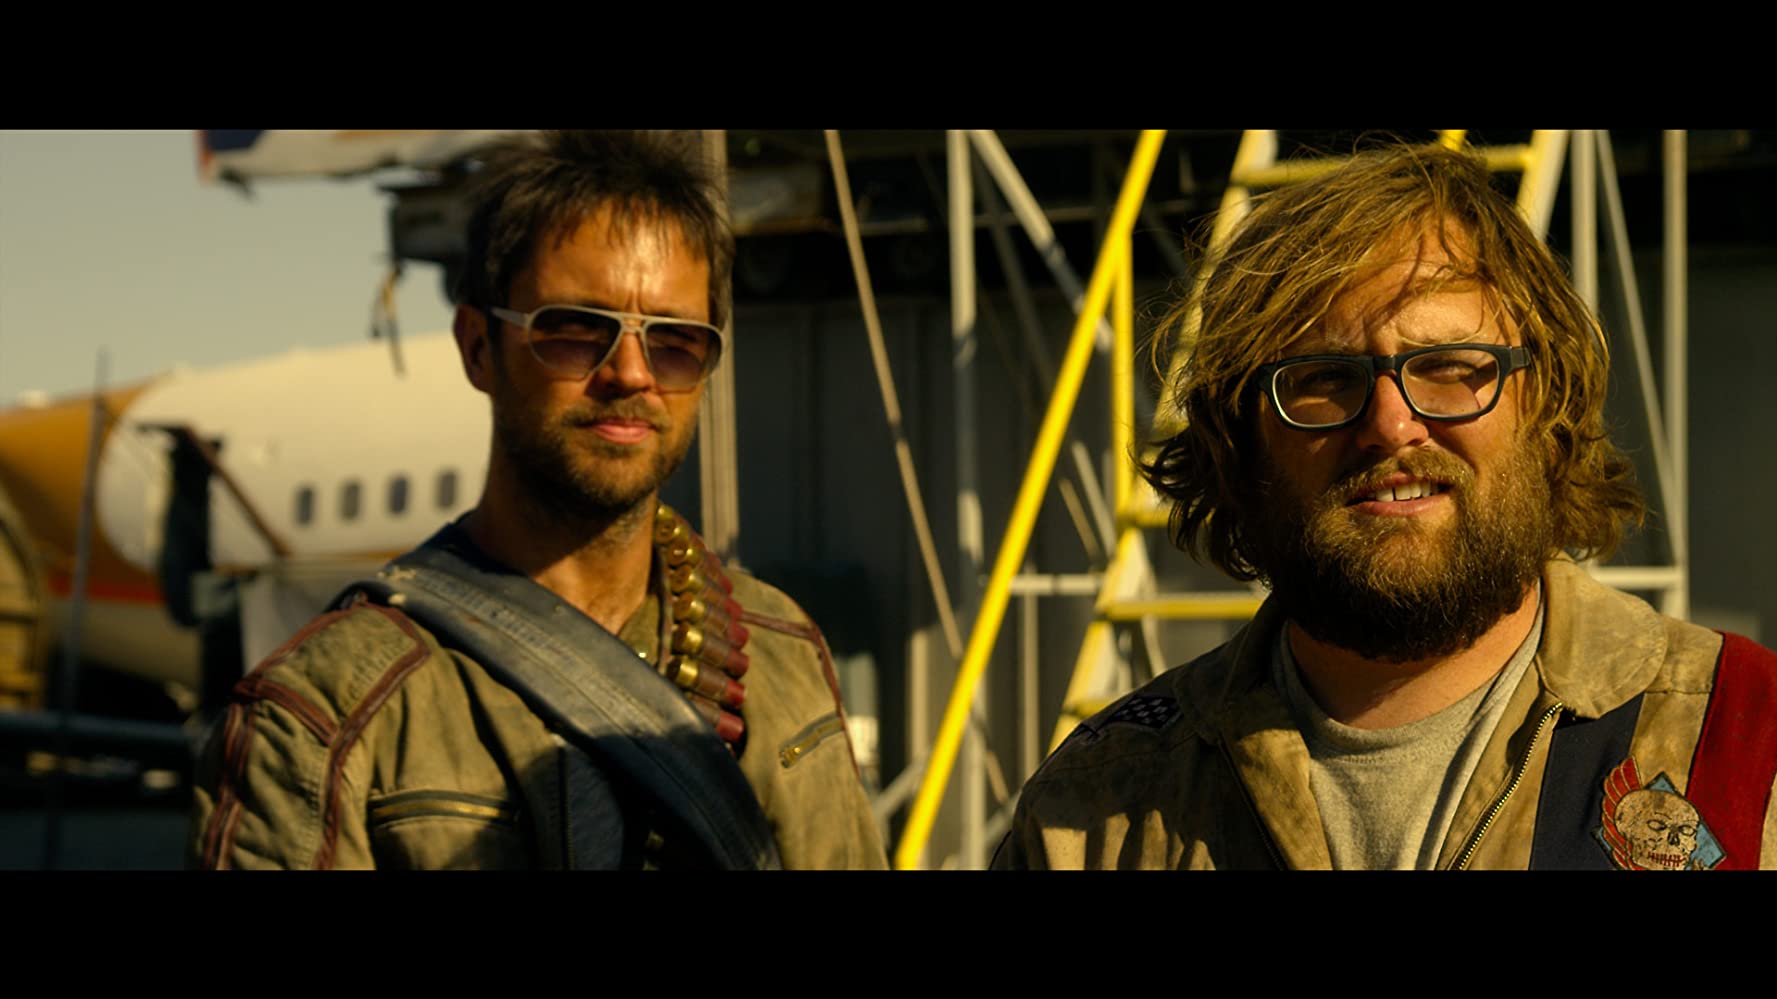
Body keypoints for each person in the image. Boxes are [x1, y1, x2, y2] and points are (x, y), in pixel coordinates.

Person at [994, 142, 1777, 870]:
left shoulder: (1749, 744)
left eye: (1449, 366)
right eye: (1321, 377)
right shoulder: (1096, 810)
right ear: (1239, 440)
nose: (1390, 425)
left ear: (1543, 405)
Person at [191, 130, 887, 869]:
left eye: (675, 342)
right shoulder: (325, 712)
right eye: (575, 330)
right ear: (477, 347)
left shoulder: (780, 652)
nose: (631, 373)